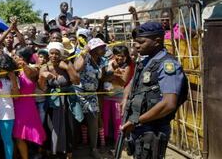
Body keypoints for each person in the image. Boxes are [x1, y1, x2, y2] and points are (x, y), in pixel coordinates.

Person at [120, 22, 188, 159]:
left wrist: (136, 122)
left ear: (157, 41)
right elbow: (134, 82)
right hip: (139, 127)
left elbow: (169, 104)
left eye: (141, 42)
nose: (136, 46)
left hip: (153, 130)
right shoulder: (147, 61)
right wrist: (125, 97)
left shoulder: (167, 65)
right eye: (135, 42)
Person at [38, 42, 82, 159]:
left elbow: (76, 81)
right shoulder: (45, 67)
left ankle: (68, 151)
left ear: (61, 54)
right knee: (51, 125)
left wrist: (67, 68)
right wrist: (43, 76)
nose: (53, 56)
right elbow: (42, 87)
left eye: (56, 54)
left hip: (67, 100)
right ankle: (52, 150)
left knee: (68, 126)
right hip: (53, 100)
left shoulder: (67, 63)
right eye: (51, 53)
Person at [74, 38, 108, 159]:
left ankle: (93, 148)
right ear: (93, 49)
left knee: (94, 120)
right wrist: (83, 53)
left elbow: (102, 77)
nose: (104, 49)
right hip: (79, 93)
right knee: (78, 119)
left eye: (104, 47)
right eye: (101, 47)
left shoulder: (103, 61)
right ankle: (76, 145)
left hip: (92, 94)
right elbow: (77, 68)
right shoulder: (85, 57)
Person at [12, 47, 47, 159]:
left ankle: (38, 154)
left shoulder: (33, 68)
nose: (13, 58)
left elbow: (31, 73)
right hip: (15, 106)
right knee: (18, 135)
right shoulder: (13, 71)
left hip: (28, 107)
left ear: (22, 58)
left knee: (34, 133)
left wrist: (24, 66)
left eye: (15, 56)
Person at [0, 54, 19, 159]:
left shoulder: (12, 78)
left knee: (7, 139)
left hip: (7, 112)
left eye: (5, 68)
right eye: (0, 68)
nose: (2, 70)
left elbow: (16, 97)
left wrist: (13, 79)